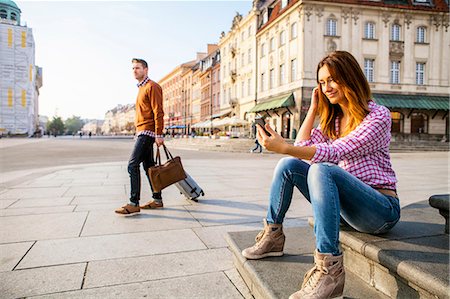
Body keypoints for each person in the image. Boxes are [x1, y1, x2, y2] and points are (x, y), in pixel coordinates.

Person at [241, 51, 400, 299]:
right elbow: (301, 149)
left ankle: (330, 272)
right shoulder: (333, 120)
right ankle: (273, 235)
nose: (326, 87)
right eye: (322, 82)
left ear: (349, 77)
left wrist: (285, 145)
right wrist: (313, 109)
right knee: (287, 165)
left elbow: (336, 150)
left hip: (380, 209)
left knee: (322, 167)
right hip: (348, 210)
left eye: (331, 80)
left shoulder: (377, 116)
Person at [115, 58, 165, 215]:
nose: (134, 71)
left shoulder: (152, 86)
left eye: (137, 68)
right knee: (148, 166)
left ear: (146, 70)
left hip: (148, 132)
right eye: (133, 68)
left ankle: (133, 202)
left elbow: (158, 111)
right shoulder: (141, 88)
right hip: (142, 132)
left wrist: (159, 133)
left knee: (132, 165)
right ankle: (157, 199)